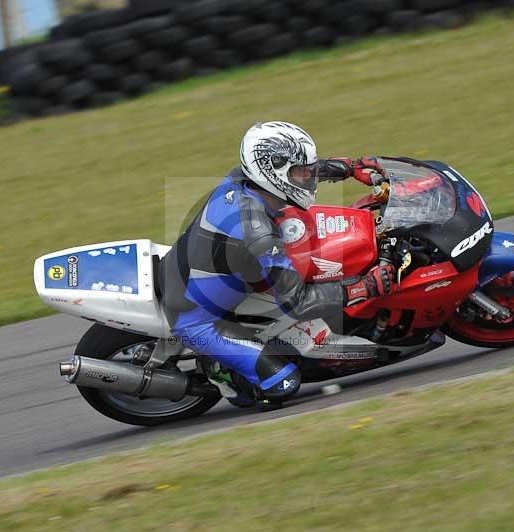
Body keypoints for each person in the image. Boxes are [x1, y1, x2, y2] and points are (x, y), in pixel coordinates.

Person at [159, 121, 394, 410]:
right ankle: (219, 370)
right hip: (196, 320)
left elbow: (294, 172)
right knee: (283, 385)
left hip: (190, 270)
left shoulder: (244, 179)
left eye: (305, 169)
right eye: (301, 172)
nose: (307, 177)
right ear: (272, 172)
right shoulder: (257, 234)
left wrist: (348, 167)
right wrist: (365, 287)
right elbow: (298, 303)